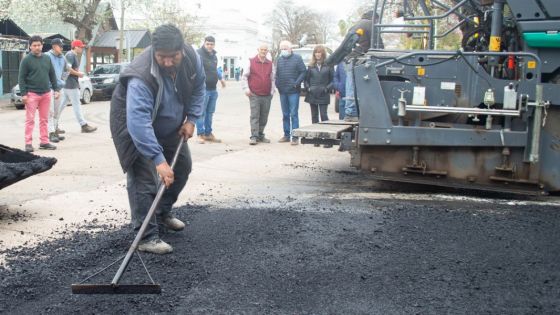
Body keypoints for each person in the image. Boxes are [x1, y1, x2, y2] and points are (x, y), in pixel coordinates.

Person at [110, 24, 205, 255]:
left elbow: (199, 87)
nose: (168, 62)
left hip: (170, 125)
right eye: (162, 57)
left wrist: (192, 119)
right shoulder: (141, 75)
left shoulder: (191, 57)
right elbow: (139, 121)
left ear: (181, 49)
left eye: (173, 57)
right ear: (154, 51)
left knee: (182, 167)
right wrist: (158, 160)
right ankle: (146, 236)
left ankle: (162, 213)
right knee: (144, 179)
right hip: (133, 127)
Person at [327, 10, 381, 122]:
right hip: (358, 59)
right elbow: (378, 45)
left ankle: (351, 111)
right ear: (375, 18)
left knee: (352, 85)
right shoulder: (370, 24)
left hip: (351, 59)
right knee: (355, 86)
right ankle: (352, 113)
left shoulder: (356, 25)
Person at [18, 35, 60, 152]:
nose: (37, 47)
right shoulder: (26, 60)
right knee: (30, 120)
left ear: (42, 45)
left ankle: (44, 141)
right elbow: (21, 78)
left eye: (39, 45)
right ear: (30, 47)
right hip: (32, 94)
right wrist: (24, 94)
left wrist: (56, 89)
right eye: (34, 45)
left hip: (46, 93)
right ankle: (28, 143)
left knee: (44, 119)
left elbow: (52, 75)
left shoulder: (47, 58)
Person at [58, 39, 97, 133]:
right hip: (71, 84)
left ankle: (53, 125)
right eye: (80, 47)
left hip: (68, 84)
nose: (82, 49)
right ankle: (83, 125)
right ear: (75, 47)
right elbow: (68, 69)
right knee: (77, 105)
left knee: (61, 106)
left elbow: (66, 70)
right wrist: (78, 74)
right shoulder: (71, 55)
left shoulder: (71, 55)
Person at [241, 43, 275, 145]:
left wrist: (272, 91)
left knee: (264, 116)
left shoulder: (270, 64)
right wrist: (246, 89)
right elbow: (244, 77)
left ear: (267, 51)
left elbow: (273, 79)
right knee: (255, 115)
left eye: (265, 50)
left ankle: (260, 134)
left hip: (267, 95)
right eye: (262, 50)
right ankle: (254, 136)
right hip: (254, 94)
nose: (263, 52)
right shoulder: (251, 61)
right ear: (258, 50)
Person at [275, 40, 306, 145]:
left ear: (290, 49)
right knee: (285, 114)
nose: (284, 50)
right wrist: (277, 84)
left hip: (293, 91)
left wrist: (296, 83)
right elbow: (277, 74)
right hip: (283, 91)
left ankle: (295, 136)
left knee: (294, 114)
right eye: (282, 49)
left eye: (285, 48)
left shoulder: (297, 58)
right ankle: (286, 135)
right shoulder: (279, 59)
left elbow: (303, 72)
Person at [196, 35, 226, 144]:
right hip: (202, 89)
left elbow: (214, 69)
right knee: (201, 112)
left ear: (214, 45)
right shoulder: (198, 54)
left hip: (213, 89)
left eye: (211, 44)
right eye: (207, 44)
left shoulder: (214, 56)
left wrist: (221, 78)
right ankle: (200, 134)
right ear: (204, 43)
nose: (209, 46)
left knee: (210, 112)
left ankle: (208, 134)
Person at [303, 45, 334, 124]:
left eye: (319, 52)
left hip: (323, 94)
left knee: (324, 115)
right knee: (314, 116)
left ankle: (326, 134)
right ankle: (315, 134)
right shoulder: (311, 66)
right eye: (316, 52)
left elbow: (333, 80)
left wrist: (327, 88)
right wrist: (308, 88)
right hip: (312, 94)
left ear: (323, 53)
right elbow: (306, 80)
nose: (317, 54)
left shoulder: (329, 65)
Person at [45, 38, 67, 143]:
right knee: (50, 111)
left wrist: (62, 81)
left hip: (59, 88)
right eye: (60, 46)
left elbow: (65, 71)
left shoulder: (63, 58)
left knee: (57, 112)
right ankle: (51, 133)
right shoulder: (46, 56)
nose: (62, 48)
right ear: (54, 46)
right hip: (49, 88)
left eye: (62, 46)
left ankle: (55, 130)